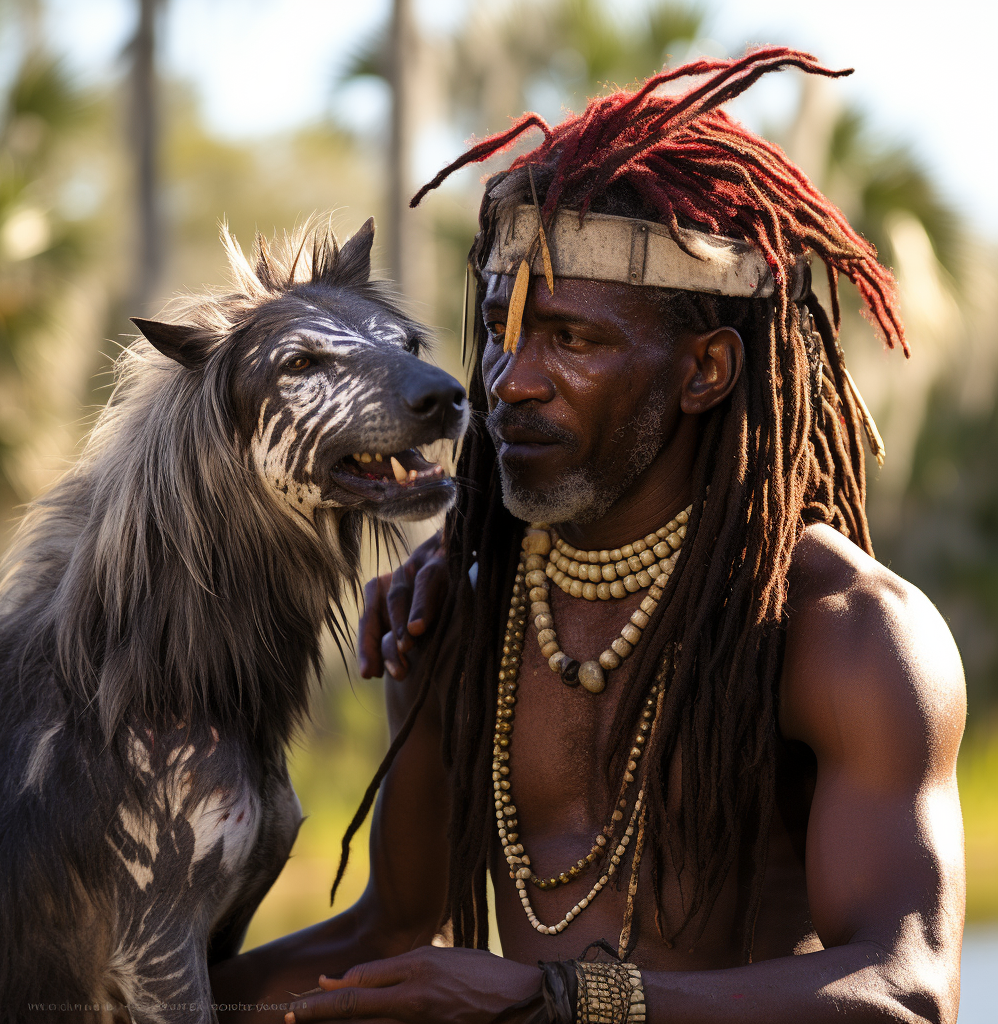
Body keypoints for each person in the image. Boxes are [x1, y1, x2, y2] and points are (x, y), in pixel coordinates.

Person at [210, 47, 966, 1024]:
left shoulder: (846, 632)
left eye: (573, 338)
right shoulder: (464, 615)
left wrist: (560, 999)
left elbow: (905, 990)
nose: (509, 378)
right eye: (497, 329)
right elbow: (392, 935)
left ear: (703, 370)